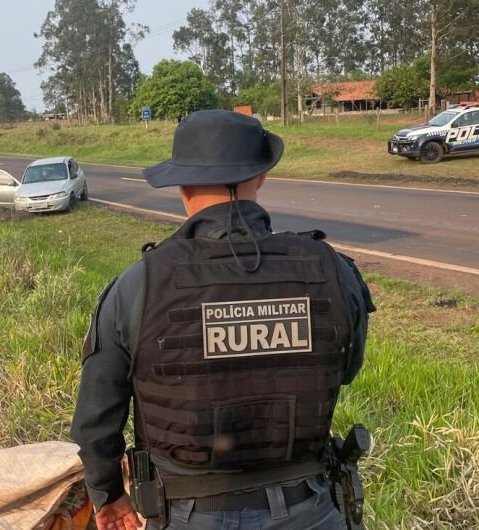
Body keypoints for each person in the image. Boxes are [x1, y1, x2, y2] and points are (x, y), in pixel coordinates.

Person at [71, 110, 375, 530]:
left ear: (182, 185)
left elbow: (95, 420)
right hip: (312, 507)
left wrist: (108, 494)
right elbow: (348, 369)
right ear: (261, 176)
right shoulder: (334, 271)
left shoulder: (138, 285)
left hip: (189, 513)